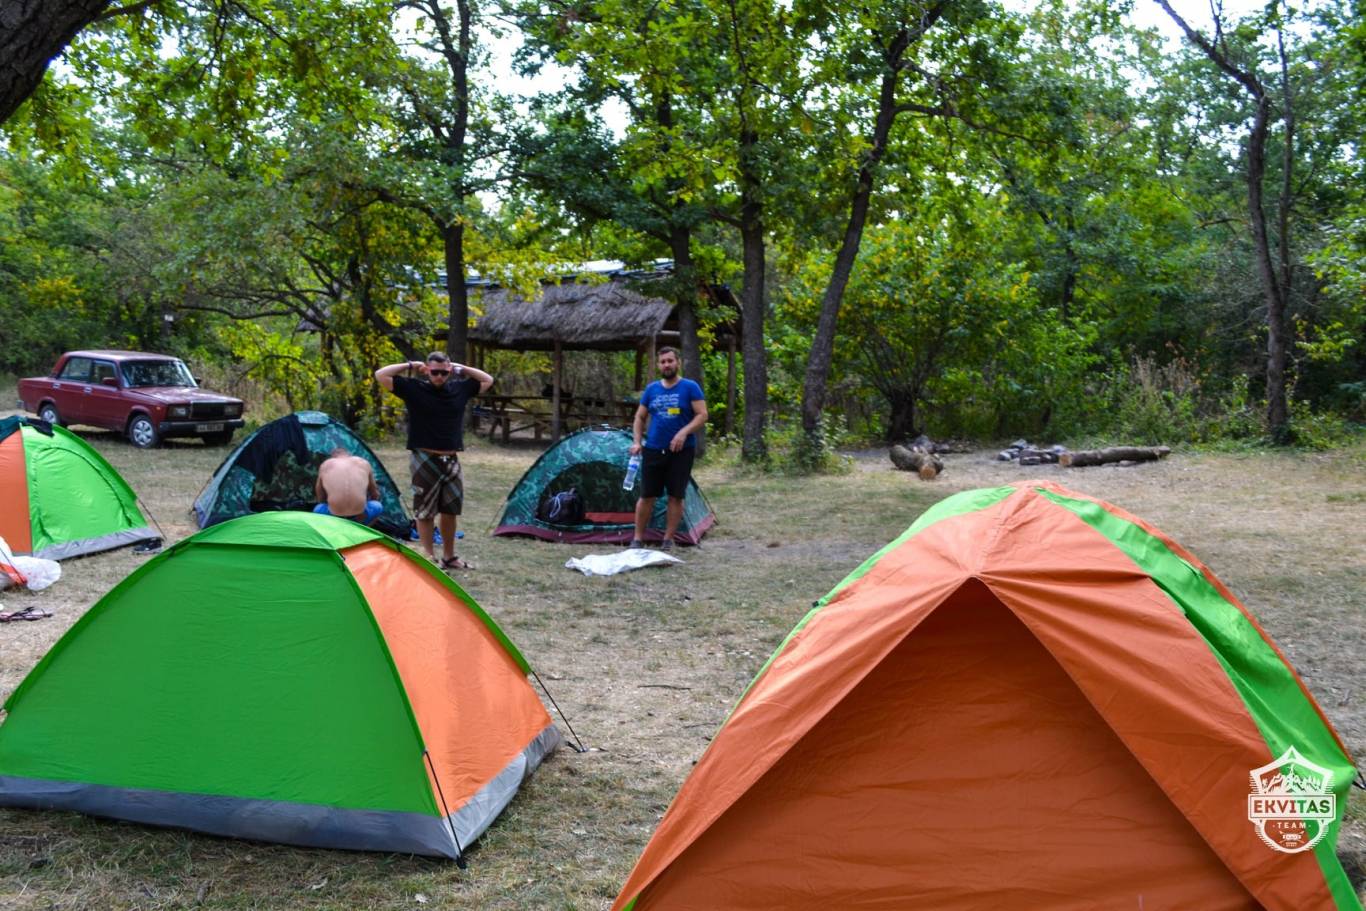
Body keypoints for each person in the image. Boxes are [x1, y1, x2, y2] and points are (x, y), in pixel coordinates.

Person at [374, 351, 494, 569]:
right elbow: (381, 375)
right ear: (427, 371)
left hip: (452, 459)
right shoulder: (414, 388)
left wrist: (461, 367)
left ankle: (449, 557)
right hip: (424, 457)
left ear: (449, 371)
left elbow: (487, 380)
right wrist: (410, 364)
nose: (439, 376)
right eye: (435, 372)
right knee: (425, 511)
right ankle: (429, 558)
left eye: (444, 372)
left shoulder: (459, 389)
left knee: (450, 510)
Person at [629, 347, 707, 550]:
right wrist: (637, 441)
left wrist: (683, 432)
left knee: (676, 495)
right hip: (653, 449)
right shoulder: (652, 389)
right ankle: (637, 539)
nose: (666, 365)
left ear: (677, 362)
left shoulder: (690, 387)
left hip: (681, 452)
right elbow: (639, 417)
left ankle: (667, 539)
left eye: (670, 361)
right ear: (658, 365)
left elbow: (702, 415)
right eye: (663, 362)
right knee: (647, 495)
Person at [313, 447, 384, 526]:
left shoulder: (326, 465)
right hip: (360, 516)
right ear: (349, 455)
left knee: (318, 508)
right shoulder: (363, 463)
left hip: (334, 516)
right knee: (378, 506)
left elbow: (320, 497)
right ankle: (364, 529)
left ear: (333, 457)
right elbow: (375, 493)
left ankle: (333, 529)